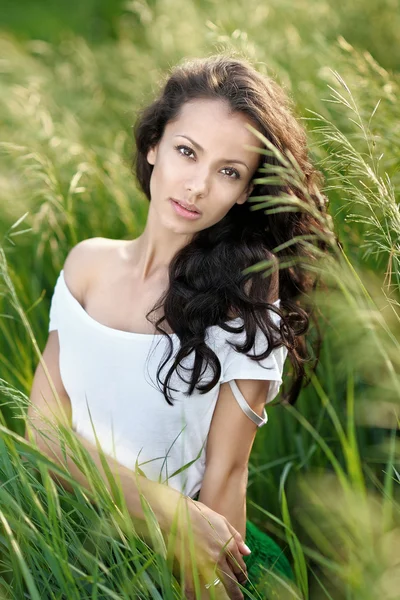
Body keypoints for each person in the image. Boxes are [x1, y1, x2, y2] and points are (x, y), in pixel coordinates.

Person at [25, 53, 333, 599]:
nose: (196, 186)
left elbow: (226, 476)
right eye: (187, 152)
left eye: (228, 171)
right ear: (153, 146)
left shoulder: (246, 300)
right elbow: (42, 435)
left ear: (245, 191)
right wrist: (169, 508)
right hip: (56, 532)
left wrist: (196, 555)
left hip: (171, 559)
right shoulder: (86, 266)